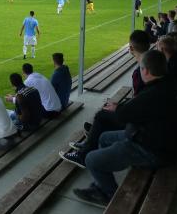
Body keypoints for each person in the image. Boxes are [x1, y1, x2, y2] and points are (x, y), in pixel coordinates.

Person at [72, 50, 177, 207]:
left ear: (146, 71)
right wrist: (120, 109)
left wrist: (116, 108)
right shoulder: (169, 82)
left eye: (141, 68)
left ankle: (108, 195)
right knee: (104, 137)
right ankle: (100, 185)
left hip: (152, 150)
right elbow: (137, 110)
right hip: (157, 138)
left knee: (91, 159)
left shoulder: (153, 93)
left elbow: (123, 116)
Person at [59, 30, 150, 169]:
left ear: (131, 48)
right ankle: (89, 142)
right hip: (144, 120)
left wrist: (119, 108)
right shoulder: (151, 62)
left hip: (140, 126)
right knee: (106, 112)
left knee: (102, 116)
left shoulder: (142, 71)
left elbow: (140, 103)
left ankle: (83, 155)